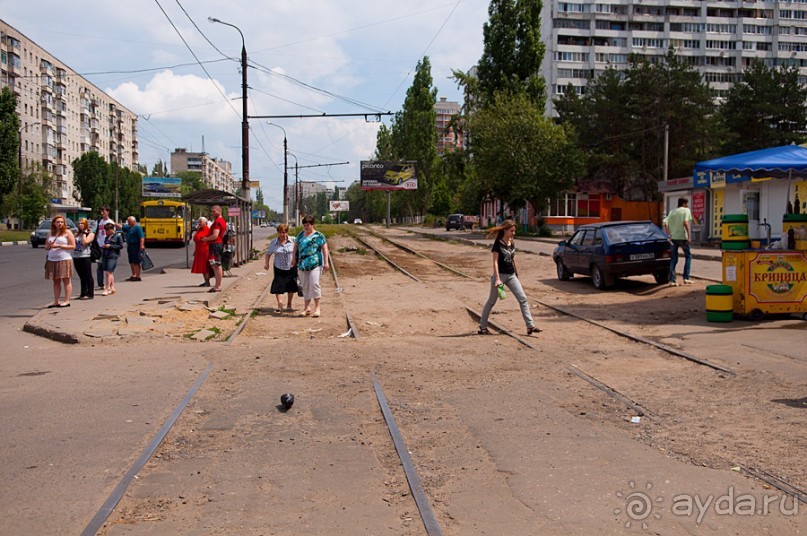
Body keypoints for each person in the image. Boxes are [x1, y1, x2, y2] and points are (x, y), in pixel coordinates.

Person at [478, 219, 540, 336]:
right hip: (500, 276)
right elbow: (495, 262)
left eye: (514, 231)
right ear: (505, 230)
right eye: (512, 231)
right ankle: (482, 326)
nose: (513, 233)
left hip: (511, 276)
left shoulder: (512, 242)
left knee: (523, 298)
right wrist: (497, 279)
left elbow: (512, 260)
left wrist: (516, 273)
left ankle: (530, 326)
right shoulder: (498, 243)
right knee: (491, 301)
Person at [292, 215, 329, 317]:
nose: (306, 227)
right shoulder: (300, 235)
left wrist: (326, 262)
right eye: (304, 225)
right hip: (302, 264)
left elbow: (325, 249)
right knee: (305, 286)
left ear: (312, 225)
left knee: (314, 283)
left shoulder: (319, 236)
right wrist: (293, 259)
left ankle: (317, 308)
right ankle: (306, 308)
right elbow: (295, 247)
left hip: (315, 263)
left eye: (308, 225)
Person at [264, 224, 299, 312]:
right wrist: (266, 263)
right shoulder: (274, 242)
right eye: (280, 233)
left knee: (291, 286)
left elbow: (299, 250)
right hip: (279, 267)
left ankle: (289, 304)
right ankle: (280, 304)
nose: (282, 235)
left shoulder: (294, 240)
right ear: (278, 233)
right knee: (278, 285)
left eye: (284, 232)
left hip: (291, 266)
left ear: (287, 232)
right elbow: (268, 253)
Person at [43, 215, 76, 308]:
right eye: (58, 222)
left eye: (62, 222)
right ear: (54, 223)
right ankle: (56, 301)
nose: (60, 224)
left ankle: (66, 300)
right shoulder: (50, 233)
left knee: (66, 280)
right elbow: (46, 247)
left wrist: (59, 246)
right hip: (52, 259)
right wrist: (50, 246)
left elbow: (73, 246)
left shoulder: (67, 233)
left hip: (64, 259)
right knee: (56, 281)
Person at [663, 197, 693, 286]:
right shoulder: (686, 210)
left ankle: (672, 280)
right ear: (683, 203)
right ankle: (686, 278)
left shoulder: (672, 212)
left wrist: (668, 234)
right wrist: (689, 236)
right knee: (688, 256)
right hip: (683, 237)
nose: (687, 205)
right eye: (686, 203)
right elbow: (686, 223)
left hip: (673, 238)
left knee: (673, 258)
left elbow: (665, 223)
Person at [202, 205, 227, 292]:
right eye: (212, 211)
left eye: (214, 211)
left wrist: (206, 239)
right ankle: (217, 285)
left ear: (219, 211)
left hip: (215, 244)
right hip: (218, 244)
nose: (212, 213)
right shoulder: (222, 221)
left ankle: (218, 286)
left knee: (216, 265)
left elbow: (215, 235)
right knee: (216, 265)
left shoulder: (217, 222)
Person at [72, 218, 95, 300]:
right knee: (81, 276)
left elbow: (85, 242)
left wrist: (84, 233)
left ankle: (90, 293)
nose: (80, 225)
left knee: (88, 275)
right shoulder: (76, 234)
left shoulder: (90, 234)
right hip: (76, 256)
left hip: (85, 256)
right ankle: (83, 293)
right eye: (79, 223)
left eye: (82, 223)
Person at [100, 222, 124, 296]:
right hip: (106, 255)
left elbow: (120, 246)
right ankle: (112, 287)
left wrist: (110, 246)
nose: (106, 232)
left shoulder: (117, 236)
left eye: (107, 230)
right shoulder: (107, 237)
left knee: (108, 272)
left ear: (111, 229)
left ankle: (107, 288)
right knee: (110, 273)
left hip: (113, 256)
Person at [95, 206, 114, 290]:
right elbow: (97, 232)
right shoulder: (100, 221)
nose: (102, 213)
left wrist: (109, 244)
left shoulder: (110, 222)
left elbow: (113, 234)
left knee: (107, 267)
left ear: (108, 212)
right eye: (101, 211)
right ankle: (100, 284)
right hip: (99, 245)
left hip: (106, 246)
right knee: (99, 266)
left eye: (104, 211)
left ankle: (109, 284)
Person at [191, 217, 213, 287]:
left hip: (205, 251)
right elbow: (195, 238)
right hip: (200, 251)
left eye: (200, 222)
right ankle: (206, 281)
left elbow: (206, 239)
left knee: (205, 267)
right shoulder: (199, 230)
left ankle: (207, 281)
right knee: (202, 267)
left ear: (205, 223)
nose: (199, 223)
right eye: (199, 222)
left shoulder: (207, 230)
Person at [122, 216, 145, 281]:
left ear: (133, 221)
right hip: (130, 246)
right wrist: (114, 223)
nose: (128, 222)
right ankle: (133, 274)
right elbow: (121, 227)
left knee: (136, 261)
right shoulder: (129, 228)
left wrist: (141, 245)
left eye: (129, 221)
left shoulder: (137, 228)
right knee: (131, 261)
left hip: (136, 246)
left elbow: (141, 237)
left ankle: (138, 276)